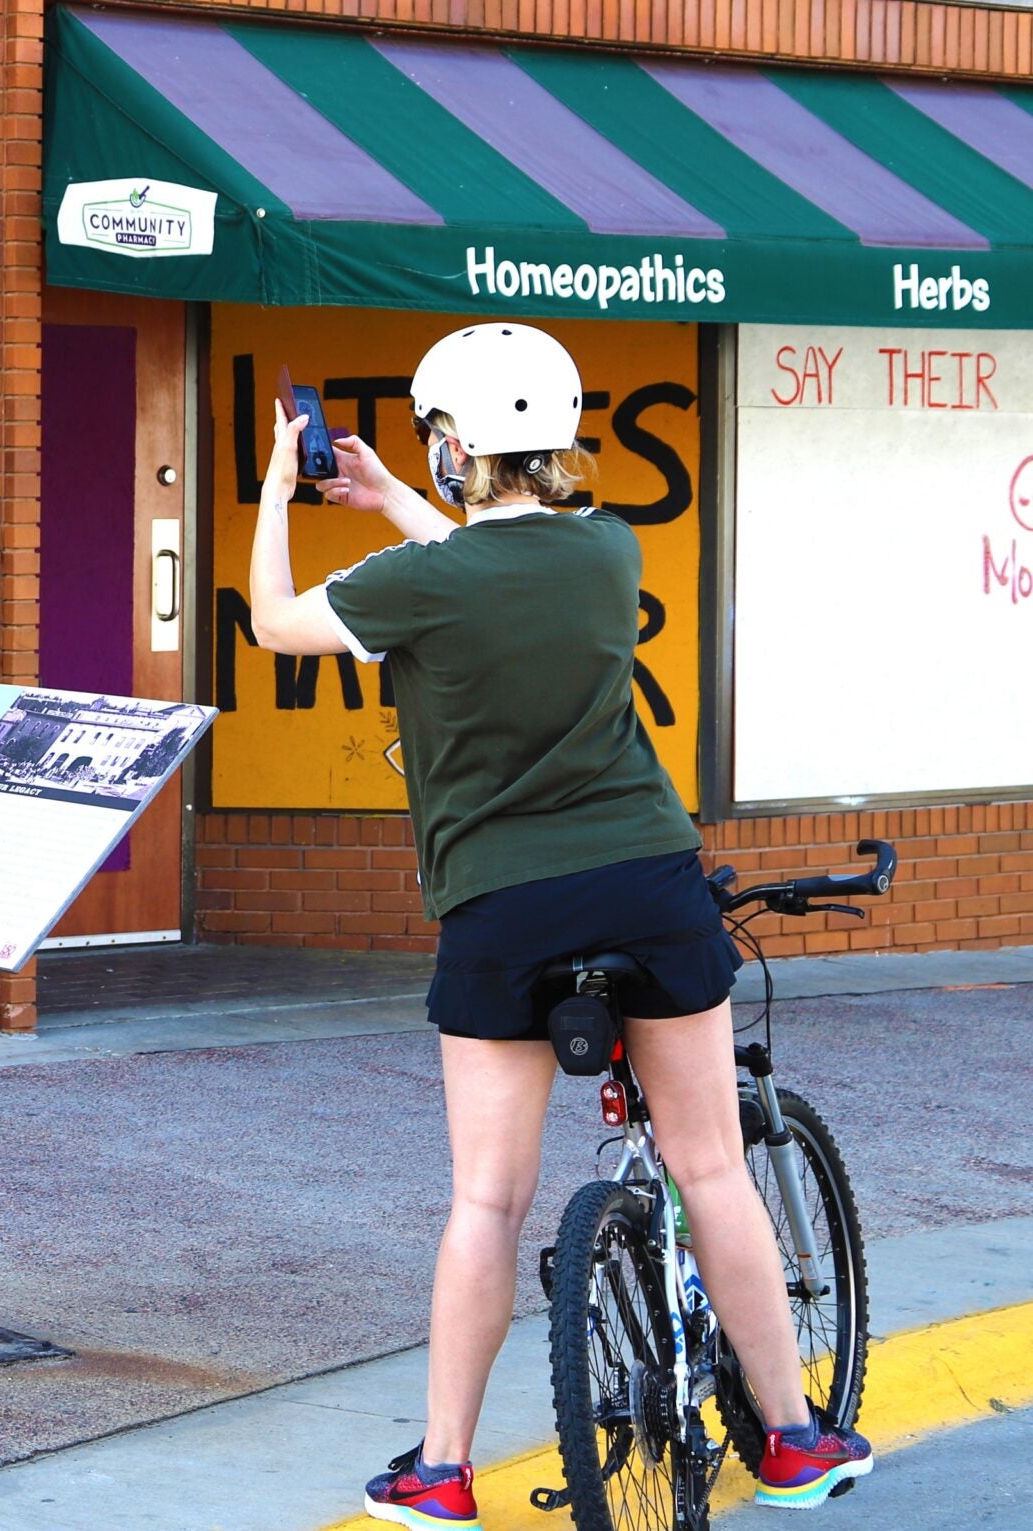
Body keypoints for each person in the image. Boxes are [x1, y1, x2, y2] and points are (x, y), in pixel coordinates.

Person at [243, 323, 873, 1522]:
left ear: (453, 446)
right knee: (709, 1164)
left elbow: (276, 619)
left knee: (487, 1199)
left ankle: (440, 1470)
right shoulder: (607, 550)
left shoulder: (409, 586)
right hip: (647, 881)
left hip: (500, 906)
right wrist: (389, 498)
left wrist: (283, 487)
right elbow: (504, 569)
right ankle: (793, 1440)